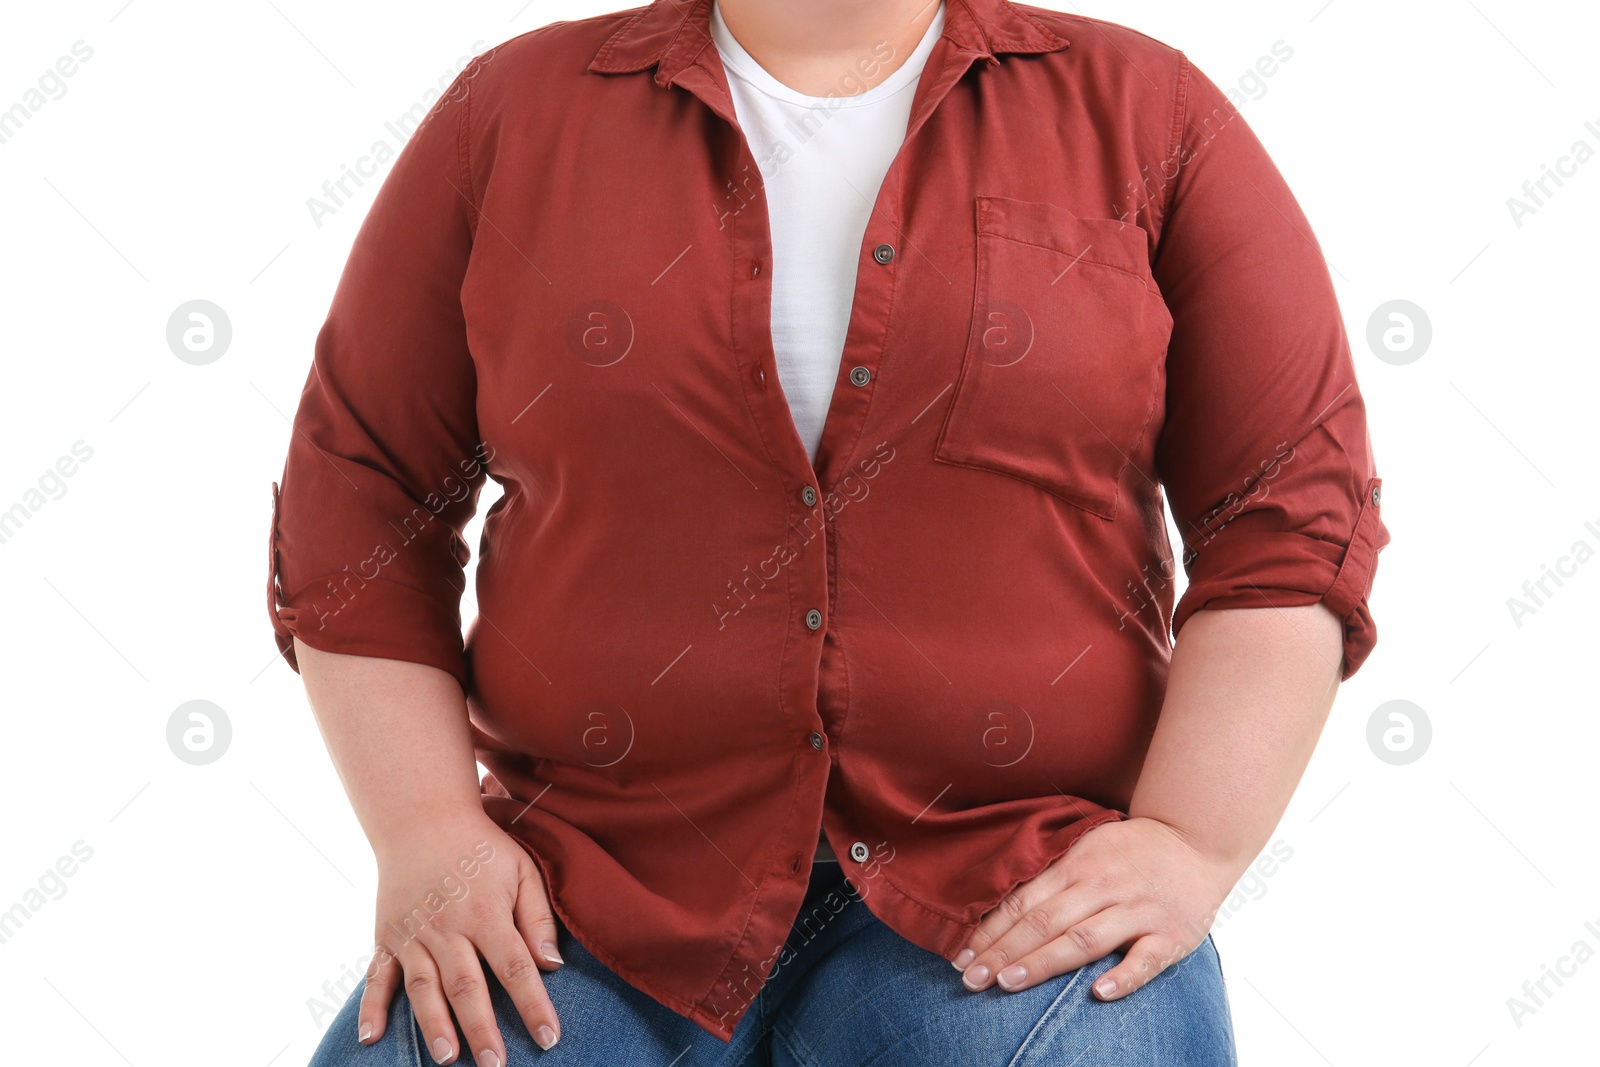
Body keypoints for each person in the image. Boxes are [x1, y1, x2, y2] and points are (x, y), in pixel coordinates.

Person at [269, 0, 1391, 1063]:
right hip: (584, 885)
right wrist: (425, 829)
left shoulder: (1150, 113)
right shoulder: (508, 116)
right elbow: (361, 494)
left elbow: (1288, 508)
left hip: (1017, 879)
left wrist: (1189, 842)